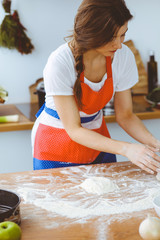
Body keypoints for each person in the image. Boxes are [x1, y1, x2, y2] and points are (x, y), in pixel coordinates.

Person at [32, 0, 160, 174]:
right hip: (56, 145)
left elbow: (126, 116)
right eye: (111, 38)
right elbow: (74, 129)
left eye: (122, 35)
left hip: (98, 140)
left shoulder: (122, 56)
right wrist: (127, 149)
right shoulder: (60, 62)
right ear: (91, 34)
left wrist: (155, 144)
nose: (119, 45)